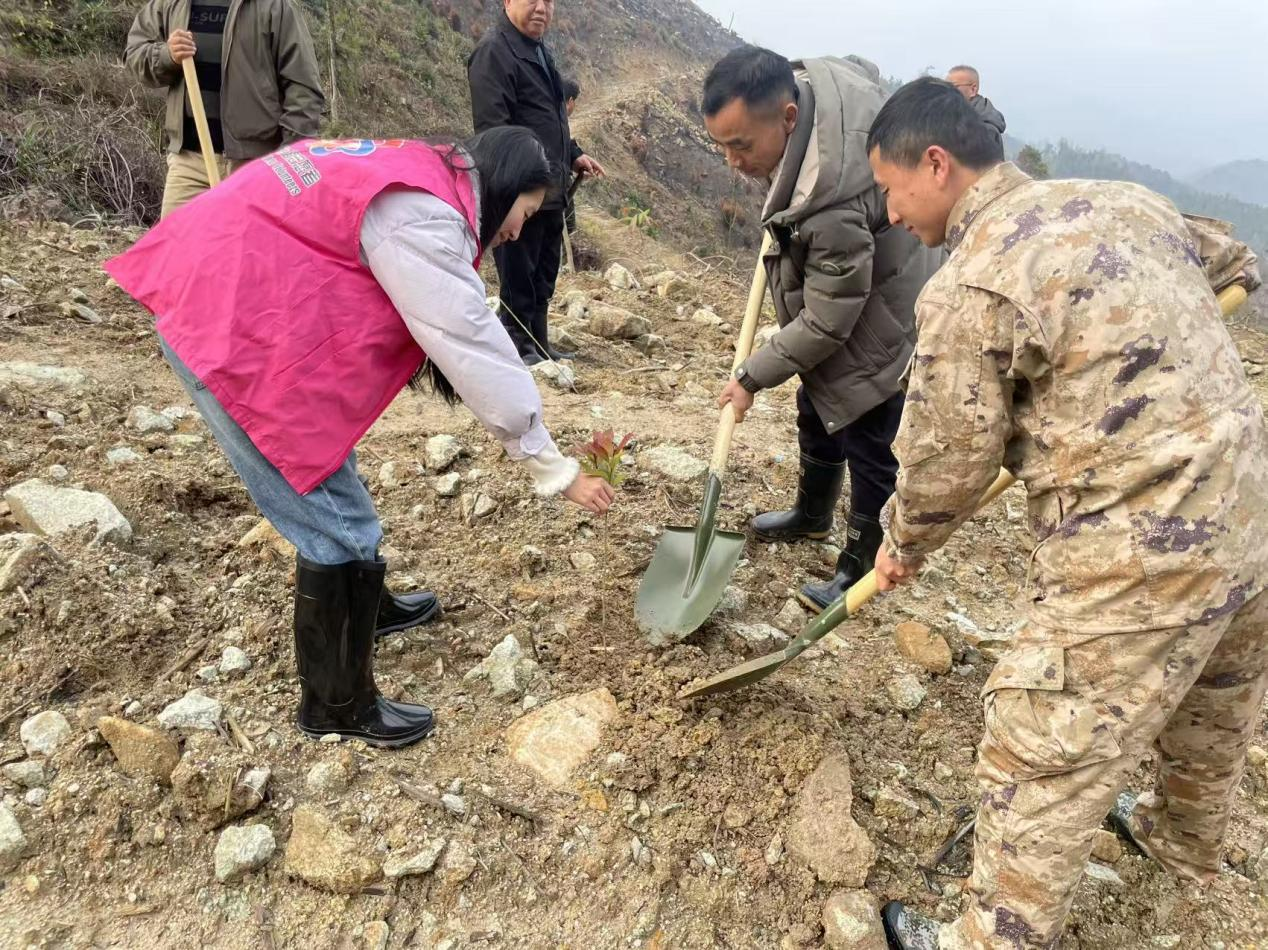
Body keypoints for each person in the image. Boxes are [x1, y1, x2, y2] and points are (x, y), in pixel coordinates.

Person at [866, 77, 1268, 949]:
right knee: (1215, 694)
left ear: (935, 165)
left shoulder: (972, 286)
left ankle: (990, 941)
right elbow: (1239, 264)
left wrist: (902, 544)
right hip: (1250, 514)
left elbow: (948, 461)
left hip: (1140, 548)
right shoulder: (1127, 202)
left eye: (893, 192)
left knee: (1036, 746)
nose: (893, 214)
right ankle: (1180, 838)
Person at [105, 128, 616, 750]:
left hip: (233, 298)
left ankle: (362, 612)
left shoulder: (423, 174)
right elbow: (471, 343)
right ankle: (336, 703)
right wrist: (551, 466)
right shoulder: (423, 218)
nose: (516, 231)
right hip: (224, 328)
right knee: (337, 526)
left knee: (327, 472)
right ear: (506, 187)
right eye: (525, 214)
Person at [702, 46, 940, 612]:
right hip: (856, 280)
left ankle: (859, 562)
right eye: (722, 145)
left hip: (884, 314)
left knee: (866, 429)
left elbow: (831, 319)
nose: (733, 161)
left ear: (788, 117)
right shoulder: (806, 92)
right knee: (818, 404)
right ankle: (812, 516)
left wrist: (752, 376)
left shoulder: (829, 199)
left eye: (741, 145)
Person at [467, 0, 605, 364]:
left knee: (544, 272)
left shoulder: (540, 51)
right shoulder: (494, 52)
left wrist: (574, 152)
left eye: (549, 1)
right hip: (519, 191)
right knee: (519, 274)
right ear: (508, 2)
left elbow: (550, 116)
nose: (542, 8)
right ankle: (516, 345)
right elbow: (494, 130)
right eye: (533, 0)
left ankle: (539, 342)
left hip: (551, 188)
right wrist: (519, 185)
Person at [125, 0, 325, 218]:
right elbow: (135, 54)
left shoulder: (275, 6)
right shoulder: (170, 4)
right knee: (178, 249)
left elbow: (303, 88)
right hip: (189, 165)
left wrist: (288, 158)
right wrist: (167, 55)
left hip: (255, 166)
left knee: (250, 250)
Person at [945, 65, 1006, 157]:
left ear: (973, 89)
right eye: (945, 87)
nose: (947, 92)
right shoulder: (956, 120)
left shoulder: (986, 130)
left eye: (954, 87)